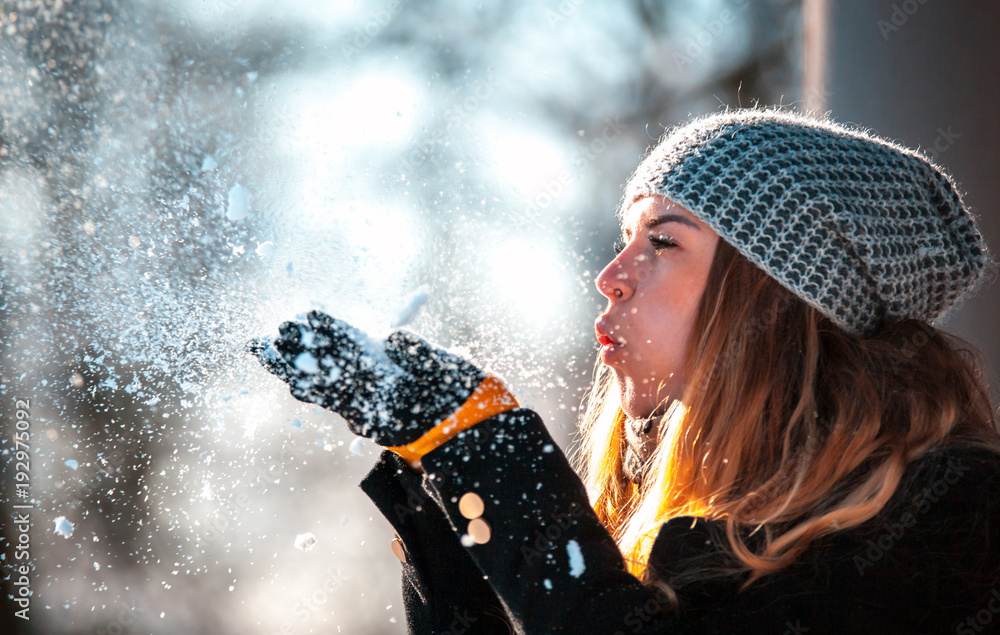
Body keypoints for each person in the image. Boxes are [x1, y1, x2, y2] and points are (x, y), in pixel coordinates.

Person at [252, 107, 1000, 634]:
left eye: (664, 242)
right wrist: (441, 476)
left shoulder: (953, 516)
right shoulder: (681, 519)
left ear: (775, 297)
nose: (611, 274)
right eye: (624, 240)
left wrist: (487, 447)